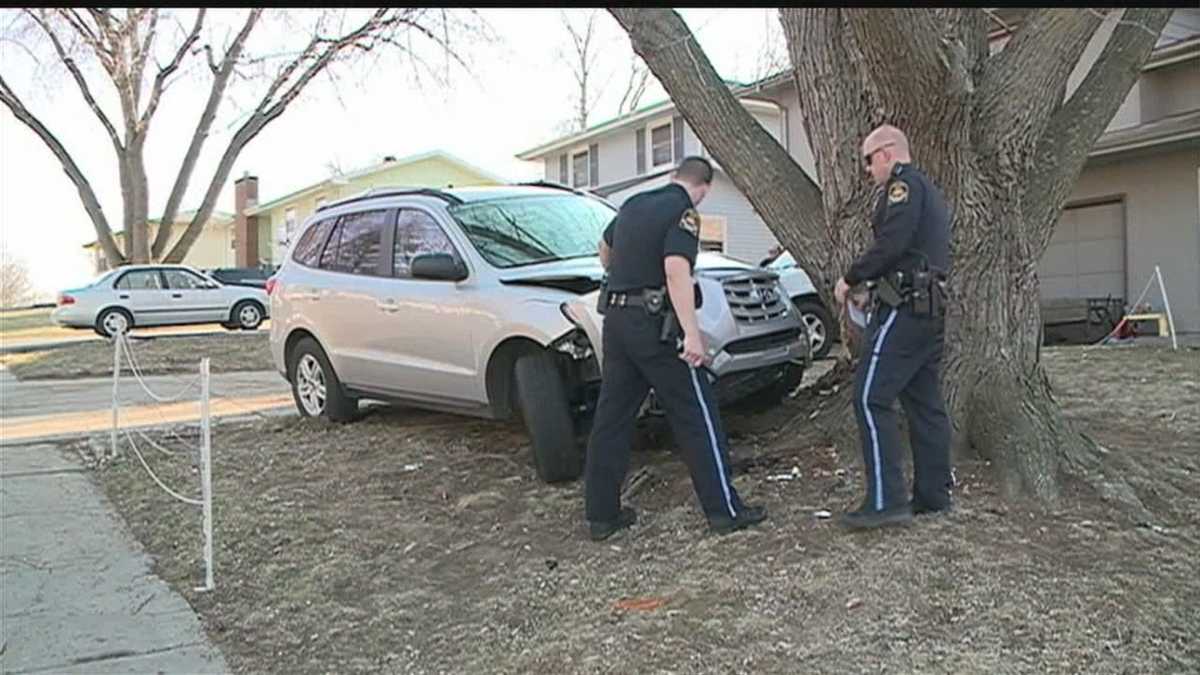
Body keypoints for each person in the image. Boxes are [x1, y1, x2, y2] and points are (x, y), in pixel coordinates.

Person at [584, 156, 767, 541]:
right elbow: (675, 269)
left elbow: (604, 249)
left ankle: (602, 515)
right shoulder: (683, 212)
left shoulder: (633, 204)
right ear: (704, 189)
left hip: (616, 322)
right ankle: (725, 511)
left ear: (672, 176)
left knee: (612, 418)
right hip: (654, 327)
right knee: (696, 413)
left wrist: (624, 274)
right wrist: (693, 334)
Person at [832, 124, 954, 530]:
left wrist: (850, 279)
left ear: (886, 154)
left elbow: (894, 243)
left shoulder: (903, 188)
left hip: (905, 308)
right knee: (925, 403)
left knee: (870, 398)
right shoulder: (929, 190)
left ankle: (886, 501)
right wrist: (874, 289)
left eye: (869, 160)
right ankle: (934, 495)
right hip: (927, 307)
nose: (868, 170)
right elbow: (914, 250)